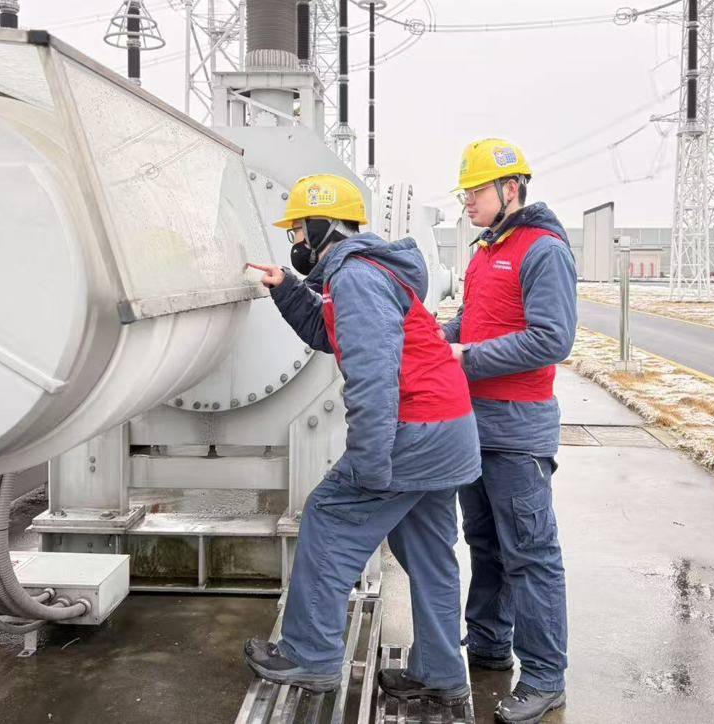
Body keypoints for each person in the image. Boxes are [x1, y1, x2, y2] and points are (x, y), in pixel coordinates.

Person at [244, 173, 481, 706]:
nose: (295, 242)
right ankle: (441, 673)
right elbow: (331, 334)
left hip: (415, 429)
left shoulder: (355, 278)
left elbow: (374, 376)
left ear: (321, 226)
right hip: (448, 427)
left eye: (298, 231)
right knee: (428, 552)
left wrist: (371, 464)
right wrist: (288, 288)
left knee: (330, 519)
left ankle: (311, 655)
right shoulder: (364, 271)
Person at [443, 139, 577, 724]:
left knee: (530, 553)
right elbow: (475, 322)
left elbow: (553, 339)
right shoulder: (485, 251)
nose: (468, 201)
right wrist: (437, 336)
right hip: (474, 425)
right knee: (485, 542)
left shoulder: (543, 250)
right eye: (466, 192)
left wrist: (467, 357)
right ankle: (489, 644)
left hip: (518, 431)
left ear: (511, 190)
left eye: (476, 191)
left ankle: (545, 678)